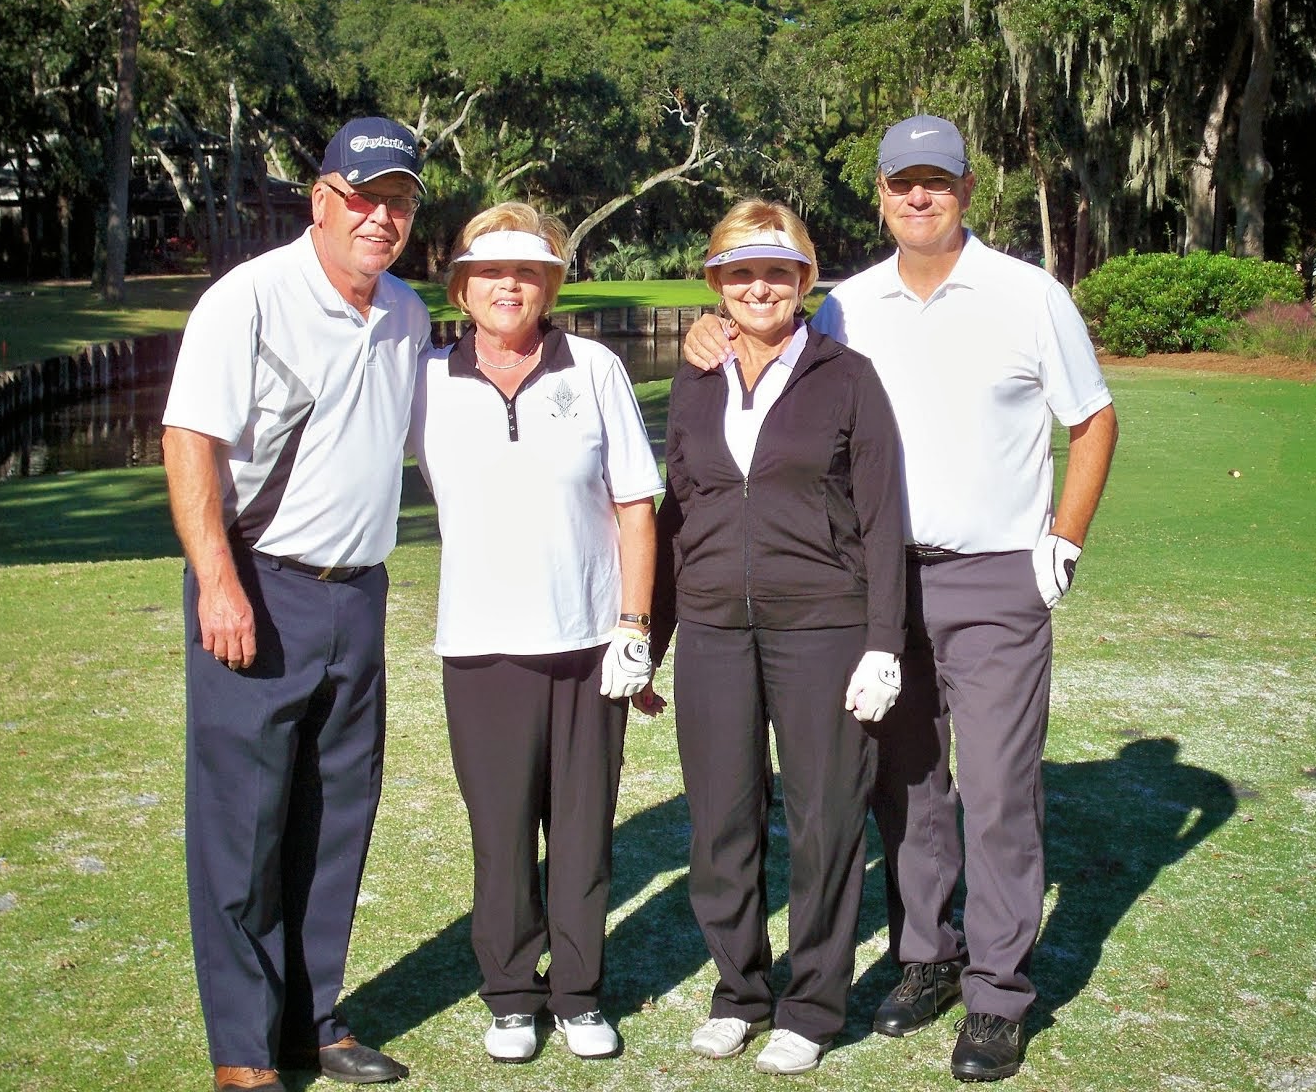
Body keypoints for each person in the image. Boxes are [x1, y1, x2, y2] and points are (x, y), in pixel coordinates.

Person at [682, 117, 1119, 1082]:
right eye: (902, 183)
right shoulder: (846, 305)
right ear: (879, 193)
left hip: (996, 573)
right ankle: (927, 954)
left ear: (968, 190)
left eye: (938, 182)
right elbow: (772, 350)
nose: (919, 198)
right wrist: (705, 329)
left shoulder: (1025, 294)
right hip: (870, 583)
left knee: (1000, 791)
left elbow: (1092, 418)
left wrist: (1064, 537)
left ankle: (999, 990)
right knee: (907, 784)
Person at [162, 116, 431, 1092]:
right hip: (257, 585)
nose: (380, 217)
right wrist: (218, 581)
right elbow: (190, 438)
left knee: (335, 823)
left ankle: (311, 1023)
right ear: (321, 200)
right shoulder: (251, 300)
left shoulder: (405, 313)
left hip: (357, 599)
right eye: (363, 197)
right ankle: (243, 1054)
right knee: (243, 827)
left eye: (397, 201)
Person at [653, 200, 907, 1076]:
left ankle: (813, 1002)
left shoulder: (848, 376)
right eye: (738, 271)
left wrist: (885, 640)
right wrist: (647, 635)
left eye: (776, 271)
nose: (758, 286)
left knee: (826, 820)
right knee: (721, 820)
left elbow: (882, 516)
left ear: (804, 280)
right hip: (717, 630)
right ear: (716, 283)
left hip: (827, 627)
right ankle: (740, 992)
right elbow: (677, 510)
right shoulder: (693, 376)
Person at [408, 202, 664, 1064]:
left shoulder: (592, 368)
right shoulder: (425, 381)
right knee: (502, 834)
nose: (508, 286)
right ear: (463, 288)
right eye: (489, 273)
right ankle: (513, 994)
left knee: (585, 830)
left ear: (549, 284)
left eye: (526, 271)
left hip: (590, 641)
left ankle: (578, 992)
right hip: (479, 645)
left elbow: (636, 506)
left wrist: (634, 625)